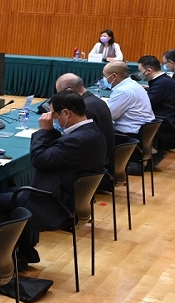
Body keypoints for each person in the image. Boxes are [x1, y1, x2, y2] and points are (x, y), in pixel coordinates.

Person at [7, 90, 107, 264]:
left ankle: (10, 259)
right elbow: (58, 148)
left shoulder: (77, 140)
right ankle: (26, 251)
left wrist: (44, 131)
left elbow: (39, 159)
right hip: (68, 197)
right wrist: (51, 131)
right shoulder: (92, 131)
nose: (52, 119)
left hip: (54, 204)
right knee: (11, 190)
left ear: (66, 113)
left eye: (54, 115)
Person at [56, 73, 115, 181]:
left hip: (94, 171)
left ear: (69, 91)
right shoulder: (97, 101)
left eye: (60, 93)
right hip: (105, 161)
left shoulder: (83, 109)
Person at [137, 56, 175, 166]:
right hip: (170, 116)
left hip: (166, 122)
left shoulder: (160, 84)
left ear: (149, 71)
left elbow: (148, 104)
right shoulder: (164, 80)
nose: (140, 74)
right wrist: (149, 89)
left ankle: (149, 152)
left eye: (141, 71)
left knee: (131, 122)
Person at [104, 61, 154, 148]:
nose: (104, 79)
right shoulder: (133, 84)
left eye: (105, 76)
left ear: (114, 76)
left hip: (129, 136)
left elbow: (108, 116)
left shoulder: (123, 91)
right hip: (142, 131)